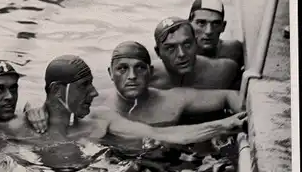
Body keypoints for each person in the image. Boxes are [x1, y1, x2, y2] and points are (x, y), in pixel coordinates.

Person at [12, 55, 247, 146]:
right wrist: (30, 105)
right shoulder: (20, 128)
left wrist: (224, 125)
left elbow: (163, 135)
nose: (94, 93)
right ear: (57, 90)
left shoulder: (101, 120)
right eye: (85, 86)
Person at [107, 41, 242, 126]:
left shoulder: (173, 99)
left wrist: (246, 118)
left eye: (140, 68)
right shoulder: (97, 106)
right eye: (122, 68)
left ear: (151, 72)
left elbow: (228, 96)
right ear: (110, 74)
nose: (132, 76)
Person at [151, 17, 239, 90]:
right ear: (158, 52)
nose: (181, 54)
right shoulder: (147, 79)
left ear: (196, 44)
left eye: (187, 44)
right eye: (171, 48)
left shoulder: (224, 71)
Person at [188, 0, 244, 88]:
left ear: (223, 26)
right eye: (201, 23)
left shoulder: (234, 50)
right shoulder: (178, 57)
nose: (209, 31)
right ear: (189, 25)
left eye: (216, 23)